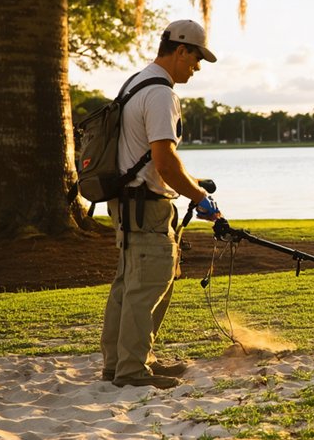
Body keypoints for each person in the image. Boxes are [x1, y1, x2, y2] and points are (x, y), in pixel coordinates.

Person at [99, 19, 223, 389]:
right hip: (147, 208)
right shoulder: (161, 94)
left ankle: (120, 365)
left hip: (127, 203)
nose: (197, 67)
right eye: (196, 58)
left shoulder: (135, 83)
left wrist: (193, 182)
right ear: (181, 50)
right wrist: (201, 199)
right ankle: (133, 372)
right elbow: (164, 160)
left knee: (128, 285)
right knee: (148, 286)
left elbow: (146, 159)